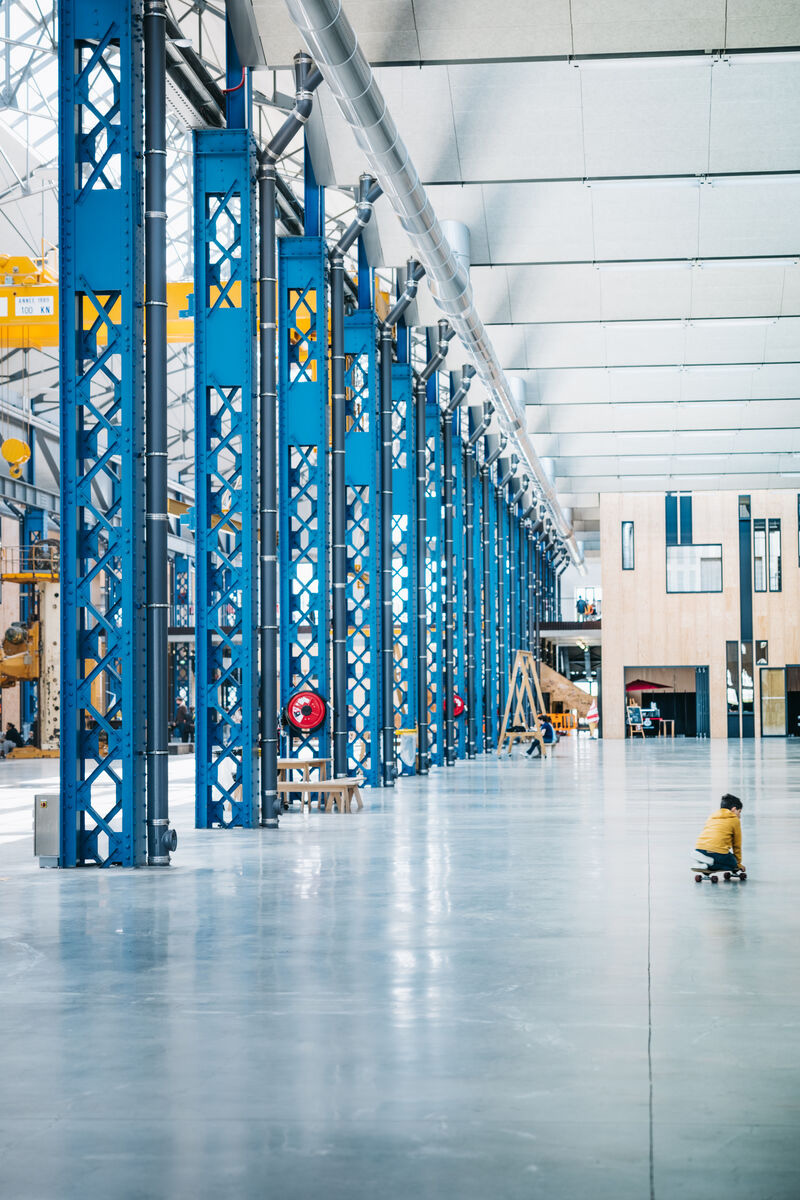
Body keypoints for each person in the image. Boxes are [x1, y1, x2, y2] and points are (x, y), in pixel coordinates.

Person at [691, 793, 745, 874]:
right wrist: (738, 863)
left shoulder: (712, 816)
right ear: (734, 809)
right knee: (732, 863)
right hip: (716, 853)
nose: (739, 815)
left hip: (700, 848)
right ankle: (710, 864)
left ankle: (702, 862)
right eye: (739, 812)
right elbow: (736, 844)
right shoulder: (734, 820)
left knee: (718, 852)